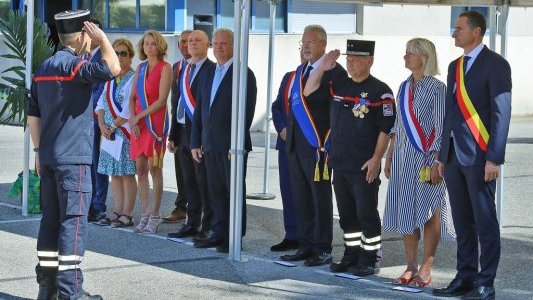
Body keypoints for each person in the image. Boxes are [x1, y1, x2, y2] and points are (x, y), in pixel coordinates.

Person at [27, 10, 120, 300]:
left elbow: (34, 117)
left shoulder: (43, 68)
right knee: (74, 223)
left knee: (51, 221)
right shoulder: (76, 67)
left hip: (50, 157)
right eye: (89, 38)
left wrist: (39, 152)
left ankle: (47, 288)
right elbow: (113, 67)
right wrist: (104, 39)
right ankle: (71, 293)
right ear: (82, 37)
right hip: (73, 160)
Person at [433, 11, 512, 300]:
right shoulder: (455, 66)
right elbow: (450, 114)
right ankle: (465, 276)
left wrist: (495, 158)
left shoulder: (496, 65)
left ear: (476, 32)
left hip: (480, 156)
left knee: (484, 222)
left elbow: (501, 113)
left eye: (459, 28)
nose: (454, 33)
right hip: (453, 156)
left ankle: (485, 283)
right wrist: (442, 155)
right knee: (463, 221)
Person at [304, 40, 395, 276]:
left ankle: (369, 258)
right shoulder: (339, 85)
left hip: (364, 165)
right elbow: (308, 90)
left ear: (370, 61)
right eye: (348, 59)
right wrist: (322, 67)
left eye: (356, 59)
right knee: (346, 215)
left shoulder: (380, 91)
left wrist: (377, 158)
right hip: (340, 162)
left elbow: (386, 129)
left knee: (366, 213)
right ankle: (351, 255)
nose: (350, 62)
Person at [383, 38, 455, 287]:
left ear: (425, 56)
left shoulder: (438, 87)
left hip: (426, 158)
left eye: (410, 53)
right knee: (406, 210)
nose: (405, 57)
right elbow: (398, 125)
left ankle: (426, 266)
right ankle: (410, 265)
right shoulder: (403, 87)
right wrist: (390, 155)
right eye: (405, 52)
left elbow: (441, 124)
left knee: (429, 211)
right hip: (403, 158)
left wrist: (437, 159)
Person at [280, 25, 347, 267]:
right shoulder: (300, 70)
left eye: (311, 42)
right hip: (296, 145)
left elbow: (335, 109)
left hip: (318, 144)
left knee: (319, 198)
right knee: (300, 197)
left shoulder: (334, 72)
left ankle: (322, 248)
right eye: (303, 42)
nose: (306, 46)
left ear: (323, 44)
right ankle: (305, 245)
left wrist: (329, 142)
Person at [191, 28, 257, 253]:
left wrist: (235, 144)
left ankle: (234, 236)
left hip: (232, 147)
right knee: (215, 191)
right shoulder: (209, 73)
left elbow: (246, 112)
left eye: (223, 44)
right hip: (209, 144)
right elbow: (200, 110)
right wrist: (194, 142)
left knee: (234, 191)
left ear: (234, 46)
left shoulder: (243, 73)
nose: (218, 47)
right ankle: (219, 232)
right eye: (216, 44)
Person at [167, 30, 214, 239]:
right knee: (188, 183)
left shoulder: (212, 70)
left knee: (203, 182)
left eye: (196, 41)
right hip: (183, 133)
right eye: (188, 41)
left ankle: (207, 226)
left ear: (207, 45)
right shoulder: (184, 69)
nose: (191, 44)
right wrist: (173, 135)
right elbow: (176, 103)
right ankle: (192, 223)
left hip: (200, 135)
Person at [128, 30, 172, 234]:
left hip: (155, 124)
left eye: (153, 44)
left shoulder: (166, 68)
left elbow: (162, 100)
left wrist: (139, 116)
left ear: (159, 46)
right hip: (138, 124)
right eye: (146, 44)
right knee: (140, 169)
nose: (149, 47)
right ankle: (145, 212)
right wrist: (132, 118)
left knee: (155, 168)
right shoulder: (140, 67)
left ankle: (155, 214)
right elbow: (132, 98)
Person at [95, 38, 138, 227]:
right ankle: (117, 210)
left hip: (125, 132)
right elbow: (100, 104)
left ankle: (127, 214)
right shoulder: (110, 79)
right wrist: (102, 124)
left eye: (124, 53)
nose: (120, 57)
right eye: (117, 53)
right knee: (114, 174)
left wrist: (113, 126)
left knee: (127, 173)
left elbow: (130, 107)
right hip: (109, 133)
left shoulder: (134, 77)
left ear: (130, 56)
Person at [269, 48, 306, 252]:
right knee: (288, 190)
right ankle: (291, 234)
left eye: (310, 44)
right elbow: (276, 107)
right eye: (302, 46)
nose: (304, 50)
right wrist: (282, 128)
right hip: (286, 144)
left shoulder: (323, 77)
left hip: (307, 146)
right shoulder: (289, 76)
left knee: (306, 193)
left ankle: (308, 237)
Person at [163, 30, 192, 224]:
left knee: (197, 174)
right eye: (181, 42)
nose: (184, 45)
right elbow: (174, 102)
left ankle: (199, 212)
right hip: (179, 128)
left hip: (195, 129)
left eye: (188, 42)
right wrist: (172, 135)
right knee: (181, 171)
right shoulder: (176, 67)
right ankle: (181, 207)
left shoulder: (207, 68)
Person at [87, 18, 110, 223]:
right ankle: (89, 203)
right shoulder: (82, 56)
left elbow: (102, 90)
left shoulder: (104, 56)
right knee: (87, 162)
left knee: (98, 164)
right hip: (82, 118)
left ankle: (98, 206)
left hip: (97, 116)